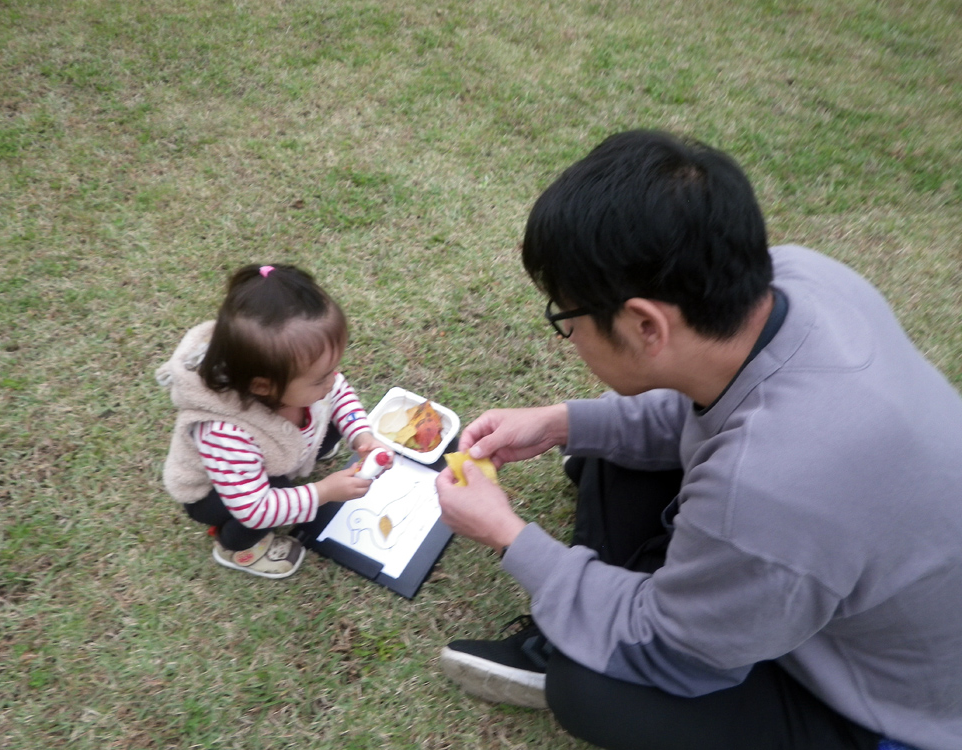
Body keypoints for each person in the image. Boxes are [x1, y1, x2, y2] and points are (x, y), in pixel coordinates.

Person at [434, 130, 962, 750]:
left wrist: (507, 534)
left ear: (645, 324)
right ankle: (605, 598)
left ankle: (580, 620)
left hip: (888, 707)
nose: (569, 335)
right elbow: (700, 408)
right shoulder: (799, 278)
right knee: (604, 450)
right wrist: (562, 422)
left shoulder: (771, 485)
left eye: (566, 318)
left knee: (589, 689)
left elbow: (669, 650)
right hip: (826, 563)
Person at [156, 264, 384, 578]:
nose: (334, 380)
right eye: (320, 379)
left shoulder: (303, 379)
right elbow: (253, 507)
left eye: (334, 369)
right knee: (270, 496)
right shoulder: (224, 432)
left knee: (328, 415)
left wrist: (361, 436)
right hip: (216, 493)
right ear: (263, 386)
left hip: (274, 449)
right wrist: (323, 492)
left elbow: (339, 391)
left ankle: (302, 452)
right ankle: (234, 547)